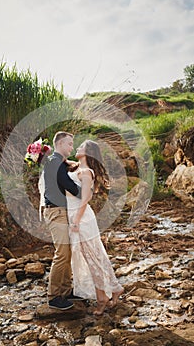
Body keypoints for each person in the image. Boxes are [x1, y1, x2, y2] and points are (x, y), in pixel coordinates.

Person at [66, 140, 124, 315]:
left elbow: (85, 199)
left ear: (88, 152)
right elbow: (58, 160)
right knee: (96, 255)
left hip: (82, 218)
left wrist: (76, 220)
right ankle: (115, 288)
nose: (77, 148)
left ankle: (102, 298)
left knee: (92, 258)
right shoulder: (76, 167)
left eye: (81, 147)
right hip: (74, 215)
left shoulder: (86, 172)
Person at [43, 131, 84, 310]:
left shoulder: (58, 162)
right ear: (59, 144)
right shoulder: (54, 162)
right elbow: (67, 184)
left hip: (61, 211)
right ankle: (53, 296)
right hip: (56, 212)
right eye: (69, 143)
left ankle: (66, 291)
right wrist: (85, 194)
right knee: (62, 254)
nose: (72, 147)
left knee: (67, 252)